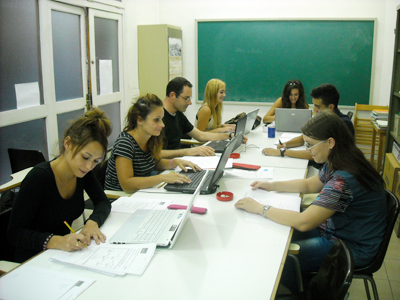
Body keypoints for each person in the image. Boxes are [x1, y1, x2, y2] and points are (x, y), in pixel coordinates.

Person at [235, 110, 386, 292]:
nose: (307, 150)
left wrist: (260, 208)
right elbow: (309, 185)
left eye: (310, 145)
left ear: (330, 142)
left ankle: (310, 293)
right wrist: (272, 185)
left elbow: (304, 222)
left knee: (279, 258)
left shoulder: (344, 180)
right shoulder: (340, 159)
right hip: (339, 231)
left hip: (350, 247)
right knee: (281, 235)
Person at [8, 108, 113, 263]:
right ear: (68, 143)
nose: (90, 166)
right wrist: (58, 241)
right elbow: (14, 233)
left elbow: (103, 202)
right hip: (33, 259)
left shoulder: (83, 172)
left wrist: (92, 222)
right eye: (85, 157)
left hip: (65, 255)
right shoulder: (39, 178)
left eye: (96, 161)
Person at [105, 94, 201, 193]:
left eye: (162, 119)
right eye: (156, 120)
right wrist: (162, 178)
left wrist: (174, 162)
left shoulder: (150, 137)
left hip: (140, 193)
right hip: (120, 198)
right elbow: (127, 185)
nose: (162, 125)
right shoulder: (125, 143)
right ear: (140, 120)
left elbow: (153, 163)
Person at [262, 83, 355, 162]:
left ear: (330, 107)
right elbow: (303, 138)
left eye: (318, 106)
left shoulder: (342, 124)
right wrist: (286, 144)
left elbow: (317, 154)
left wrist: (283, 152)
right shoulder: (323, 120)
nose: (314, 110)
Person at [161, 77, 247, 158]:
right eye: (186, 98)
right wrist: (186, 151)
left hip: (176, 162)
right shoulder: (158, 118)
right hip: (166, 167)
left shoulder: (178, 114)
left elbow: (201, 135)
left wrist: (231, 135)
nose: (190, 102)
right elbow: (155, 154)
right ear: (172, 95)